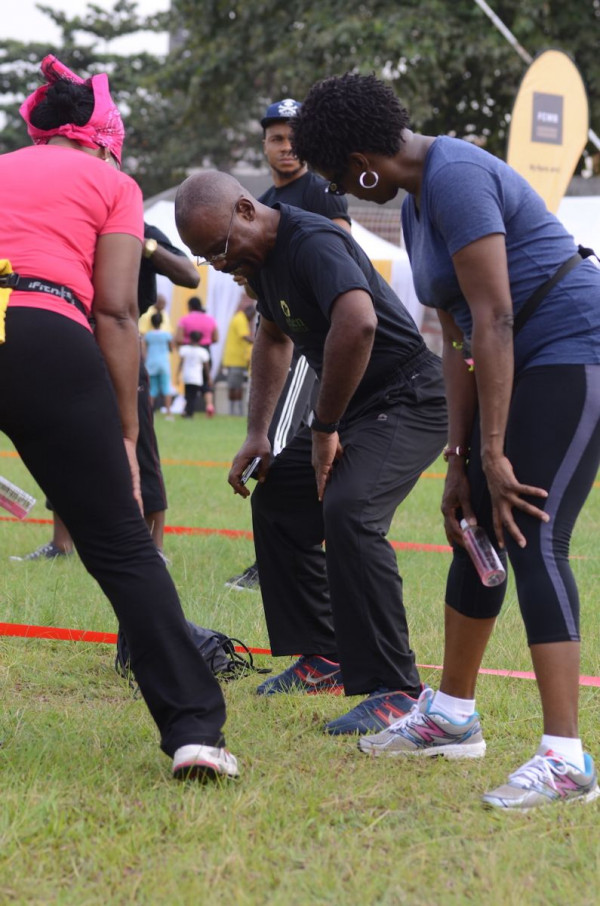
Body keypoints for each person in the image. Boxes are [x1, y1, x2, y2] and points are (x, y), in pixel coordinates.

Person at [292, 72, 600, 809]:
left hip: (572, 349)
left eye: (337, 176)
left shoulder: (456, 174)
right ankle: (454, 717)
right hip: (511, 358)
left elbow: (496, 316)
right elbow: (458, 336)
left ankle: (567, 761)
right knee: (474, 529)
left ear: (362, 161)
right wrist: (460, 460)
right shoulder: (416, 200)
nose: (341, 191)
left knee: (533, 534)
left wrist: (494, 449)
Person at [1, 54, 237, 780]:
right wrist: (128, 434)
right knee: (121, 546)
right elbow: (114, 310)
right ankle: (194, 732)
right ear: (104, 139)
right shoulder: (114, 183)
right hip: (48, 331)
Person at [175, 170, 447, 736]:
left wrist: (324, 427)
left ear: (246, 210)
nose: (218, 265)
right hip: (355, 405)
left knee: (351, 511)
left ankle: (398, 690)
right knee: (279, 498)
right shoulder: (258, 262)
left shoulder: (313, 241)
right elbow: (274, 337)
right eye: (206, 258)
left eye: (219, 248)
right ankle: (324, 654)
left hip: (409, 395)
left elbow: (359, 323)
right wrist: (258, 432)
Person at [11, 225, 199, 560]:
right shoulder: (71, 226)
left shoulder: (140, 229)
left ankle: (154, 547)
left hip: (121, 343)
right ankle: (61, 543)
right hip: (72, 339)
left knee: (140, 442)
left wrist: (146, 247)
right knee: (62, 441)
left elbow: (190, 275)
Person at [225, 97, 351, 591]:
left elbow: (345, 258)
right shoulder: (258, 204)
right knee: (281, 440)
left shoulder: (321, 190)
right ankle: (288, 555)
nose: (287, 147)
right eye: (277, 138)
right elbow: (256, 282)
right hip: (277, 332)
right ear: (264, 145)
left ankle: (277, 561)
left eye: (294, 138)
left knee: (275, 442)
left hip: (311, 339)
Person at [176, 296, 218, 415]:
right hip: (205, 350)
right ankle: (209, 405)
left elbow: (178, 338)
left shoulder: (184, 320)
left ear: (190, 306)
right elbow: (216, 338)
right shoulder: (210, 319)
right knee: (206, 380)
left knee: (190, 383)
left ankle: (188, 408)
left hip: (190, 351)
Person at [222, 299, 255, 415]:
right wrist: (258, 342)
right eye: (252, 317)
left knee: (234, 385)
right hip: (236, 359)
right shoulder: (241, 319)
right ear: (249, 313)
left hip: (235, 359)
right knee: (236, 386)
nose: (251, 320)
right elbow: (245, 336)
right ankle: (236, 411)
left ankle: (234, 410)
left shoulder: (238, 318)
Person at [143, 312, 174, 418]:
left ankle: (150, 412)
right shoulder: (167, 335)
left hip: (151, 363)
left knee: (152, 389)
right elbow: (171, 348)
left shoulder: (148, 335)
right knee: (166, 388)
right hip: (163, 363)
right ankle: (169, 413)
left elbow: (144, 350)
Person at [178, 330, 210, 418]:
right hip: (197, 377)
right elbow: (206, 367)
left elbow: (181, 363)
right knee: (193, 396)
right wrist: (209, 377)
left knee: (188, 395)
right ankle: (189, 412)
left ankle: (187, 411)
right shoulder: (203, 351)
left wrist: (177, 374)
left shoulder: (184, 349)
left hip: (187, 376)